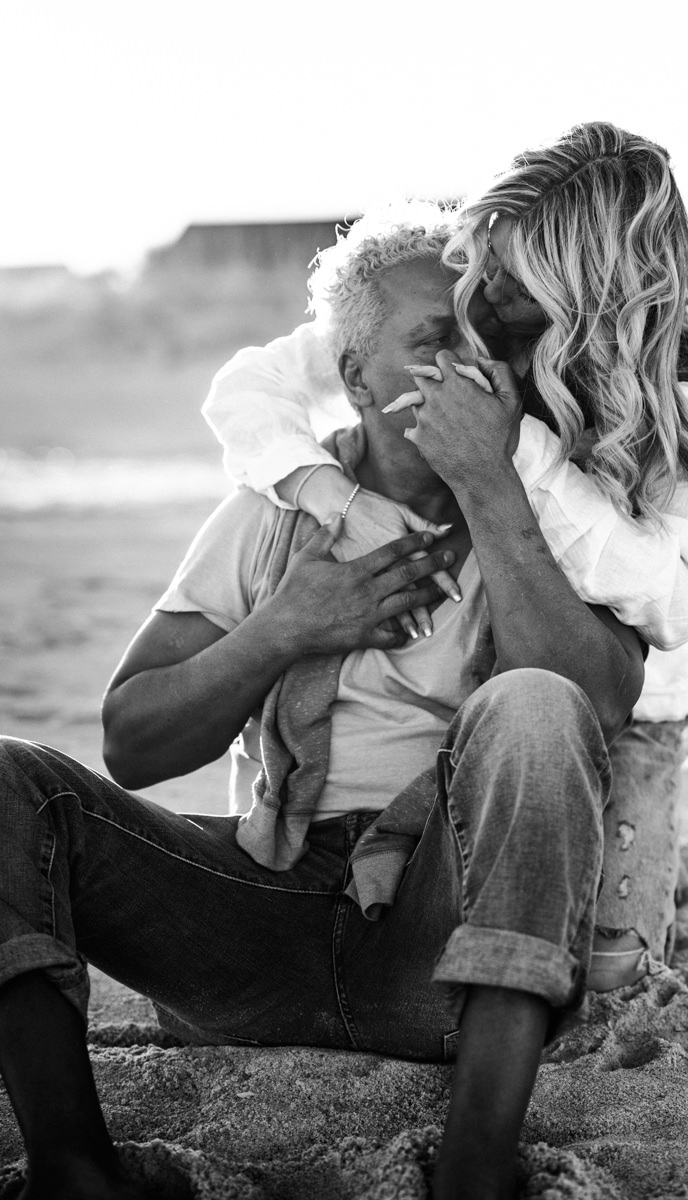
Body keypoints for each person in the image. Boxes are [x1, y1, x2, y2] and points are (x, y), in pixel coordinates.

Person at [0, 208, 645, 1200]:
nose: (471, 369)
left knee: (532, 706)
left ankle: (473, 1170)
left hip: (447, 949)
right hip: (261, 917)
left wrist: (490, 490)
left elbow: (594, 706)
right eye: (435, 342)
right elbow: (133, 742)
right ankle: (73, 1169)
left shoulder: (557, 508)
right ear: (356, 379)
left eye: (486, 340)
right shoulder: (274, 511)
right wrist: (286, 628)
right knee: (8, 781)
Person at [202, 122, 688, 984]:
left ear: (589, 293)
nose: (484, 294)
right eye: (487, 258)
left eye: (515, 281)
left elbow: (675, 599)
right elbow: (253, 388)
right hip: (469, 691)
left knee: (605, 974)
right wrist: (343, 502)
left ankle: (663, 861)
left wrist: (514, 457)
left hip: (626, 706)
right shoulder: (464, 306)